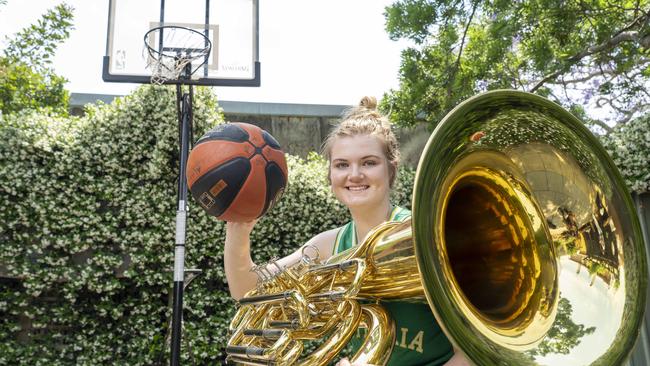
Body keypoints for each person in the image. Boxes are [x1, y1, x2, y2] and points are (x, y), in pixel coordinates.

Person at [224, 96, 470, 366]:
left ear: (391, 169)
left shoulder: (427, 236)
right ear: (330, 176)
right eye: (342, 164)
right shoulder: (330, 245)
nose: (354, 174)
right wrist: (238, 224)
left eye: (368, 162)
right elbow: (249, 292)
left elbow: (469, 354)